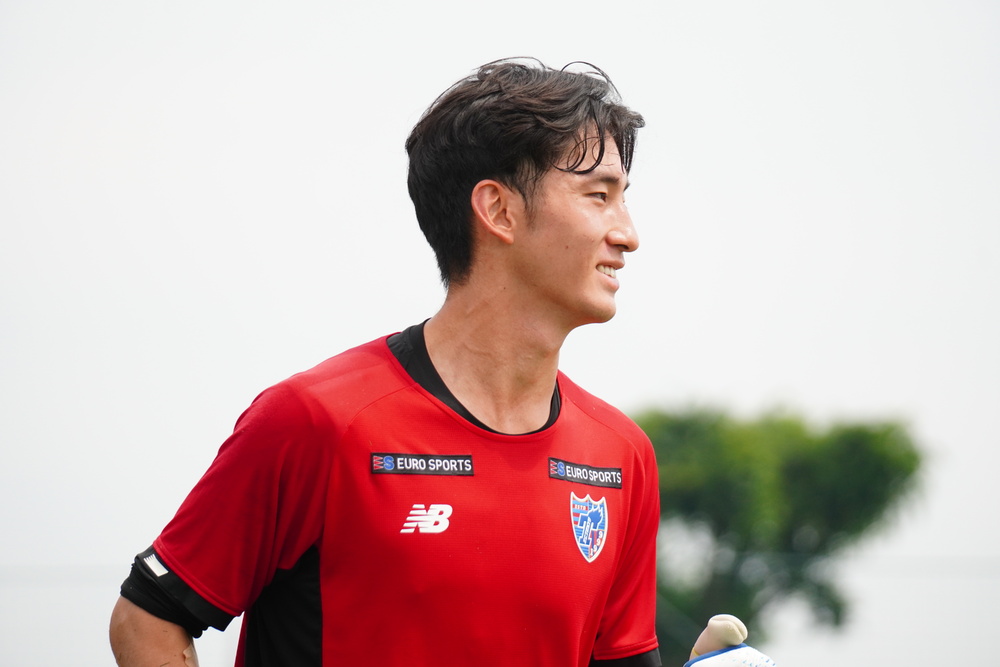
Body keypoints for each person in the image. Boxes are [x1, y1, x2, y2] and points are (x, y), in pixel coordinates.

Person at [109, 57, 660, 667]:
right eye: (599, 197)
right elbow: (147, 621)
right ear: (498, 210)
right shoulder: (316, 421)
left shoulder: (622, 457)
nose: (628, 234)